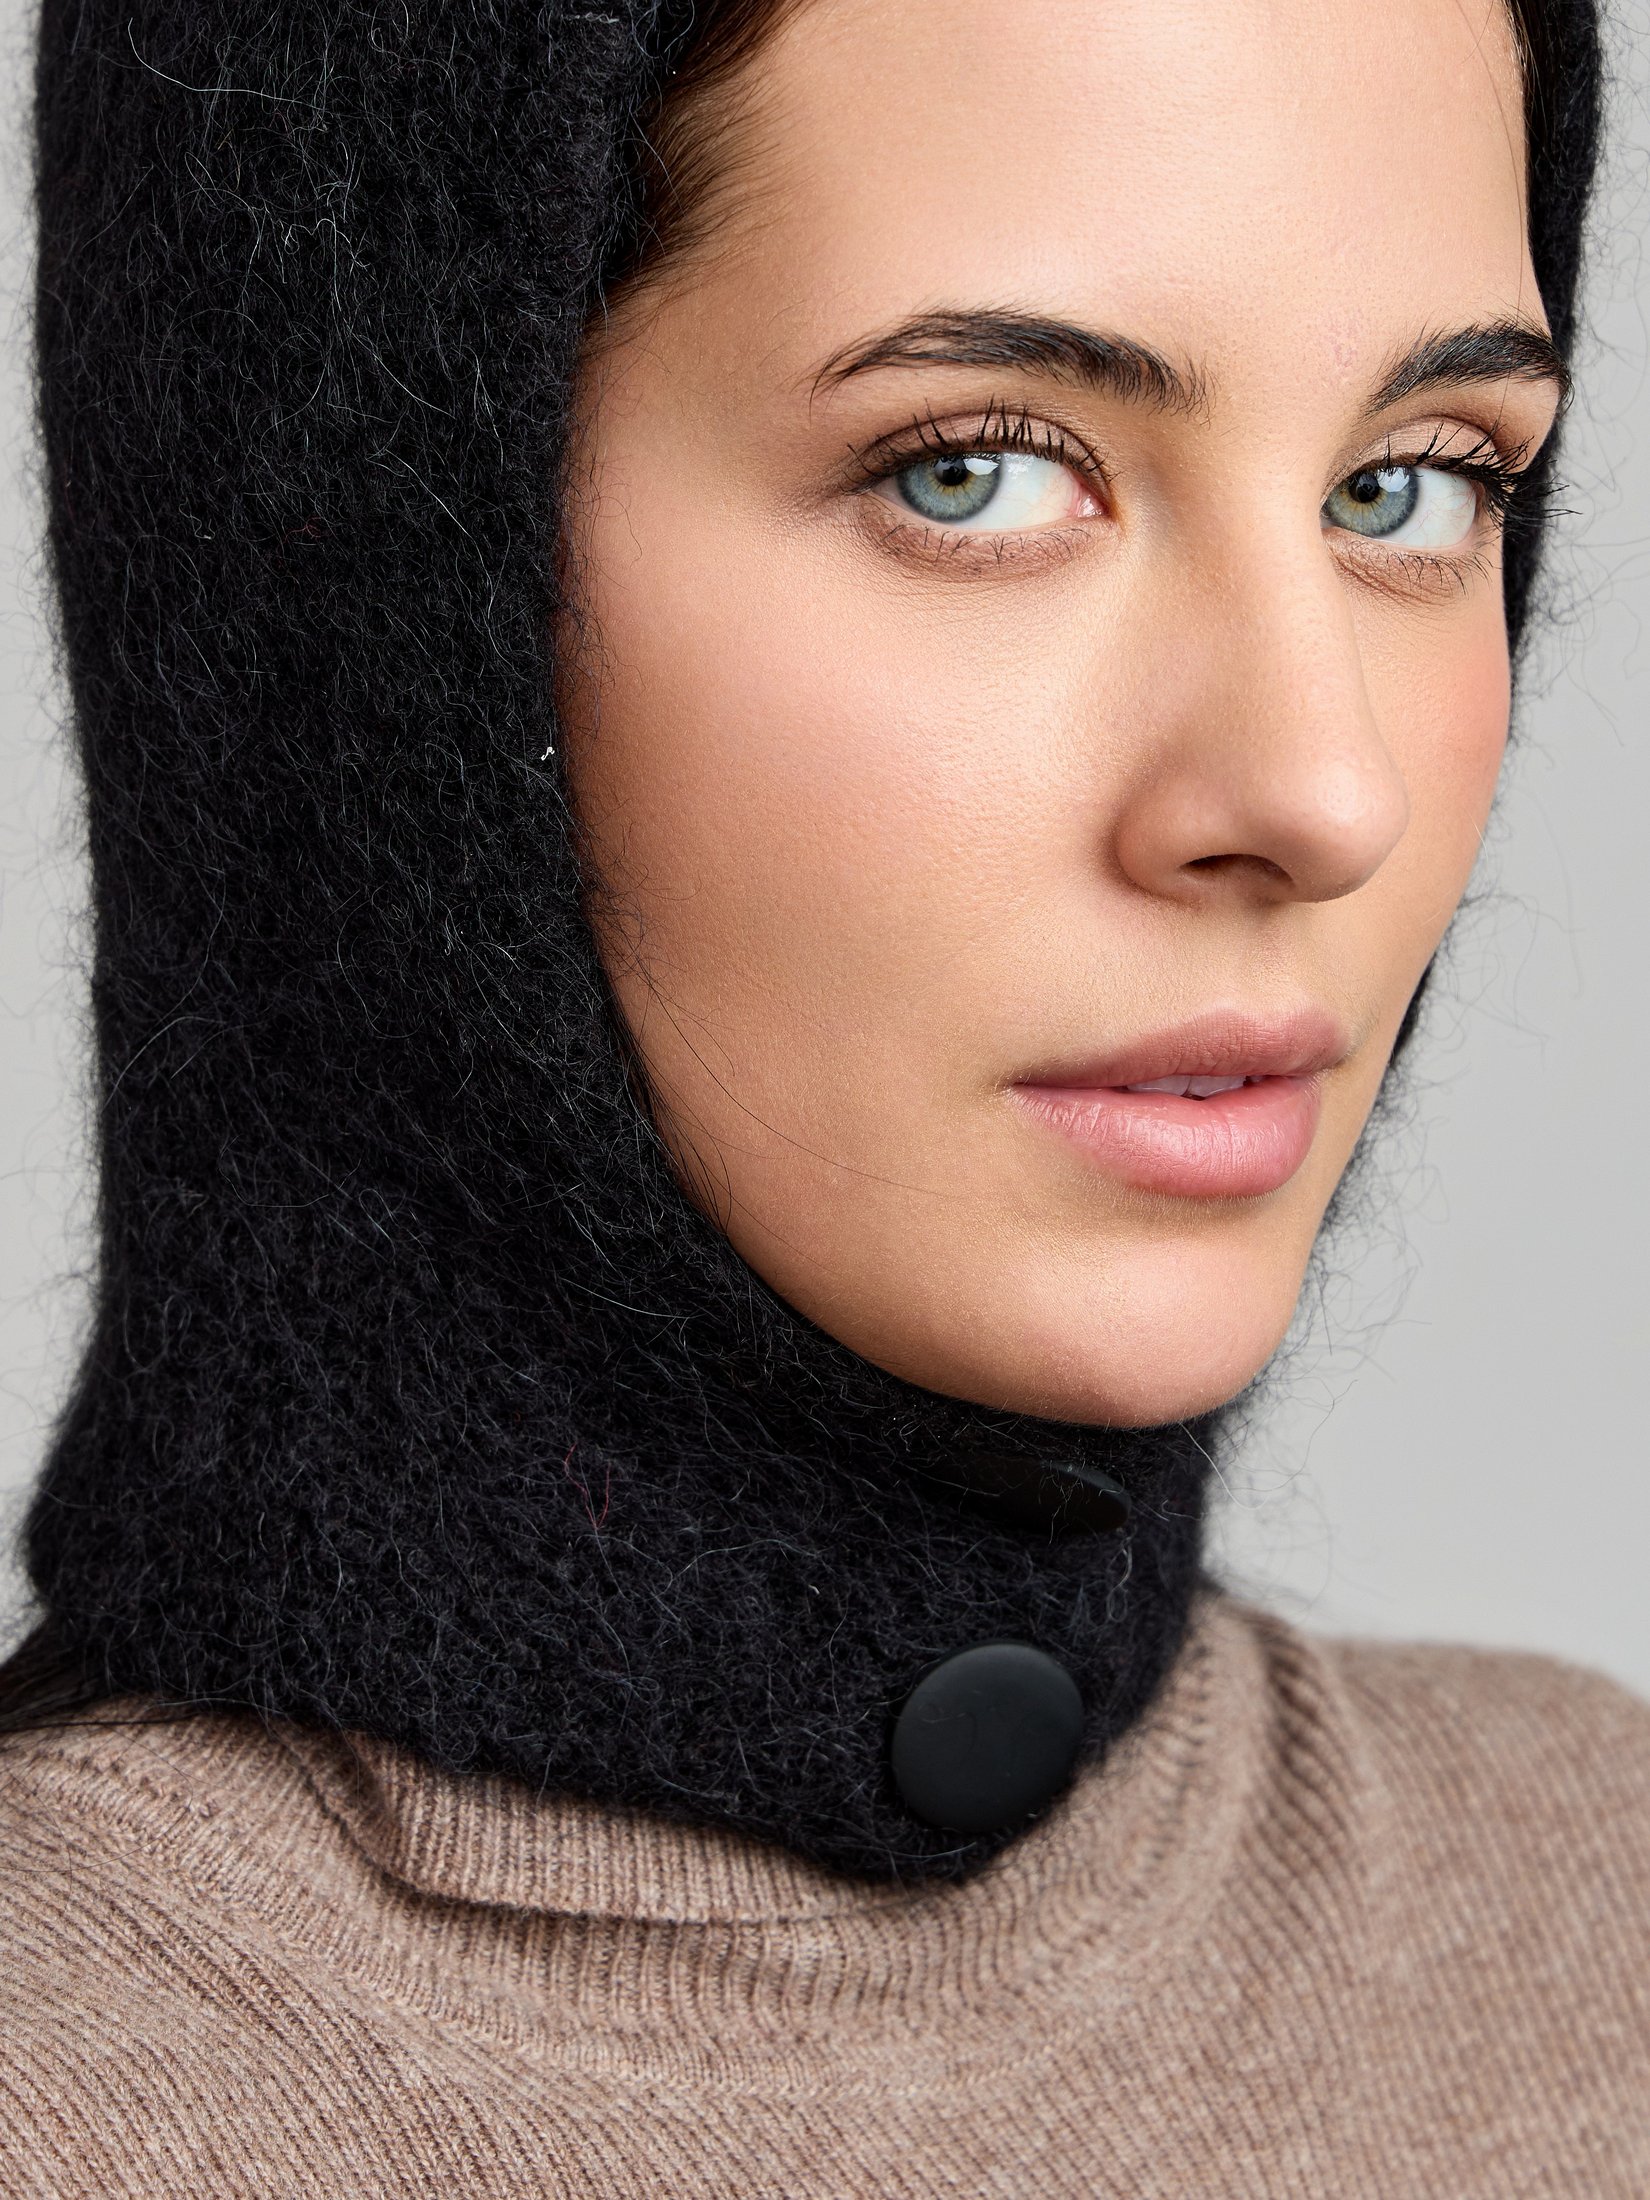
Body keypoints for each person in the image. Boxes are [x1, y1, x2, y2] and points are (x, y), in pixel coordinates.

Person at [1, 0, 1644, 2190]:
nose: (1317, 789)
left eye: (1411, 484)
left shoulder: (1597, 1905)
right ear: (373, 569)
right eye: (975, 469)